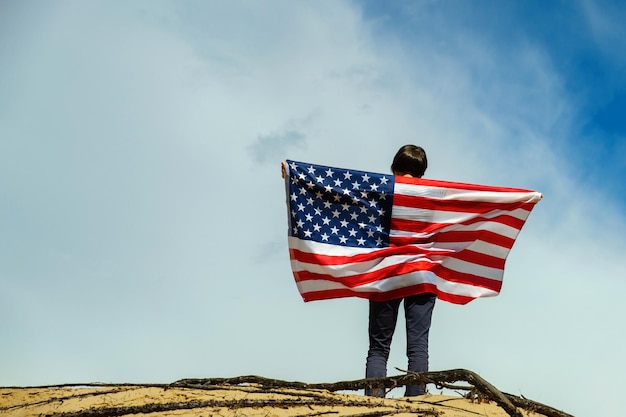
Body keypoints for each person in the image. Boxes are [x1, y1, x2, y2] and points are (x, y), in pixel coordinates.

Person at [365, 144, 436, 397]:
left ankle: (373, 405)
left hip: (387, 272)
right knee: (418, 344)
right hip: (422, 273)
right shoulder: (435, 195)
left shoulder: (380, 191)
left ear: (393, 167)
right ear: (422, 173)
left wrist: (295, 176)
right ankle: (415, 405)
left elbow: (338, 196)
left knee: (379, 347)